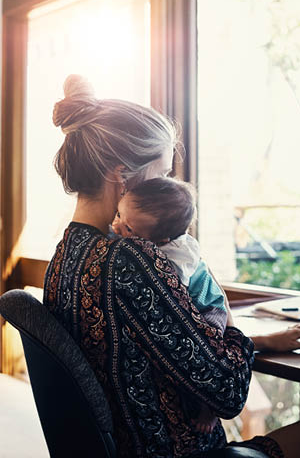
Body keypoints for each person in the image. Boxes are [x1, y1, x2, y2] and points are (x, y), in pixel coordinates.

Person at [44, 74, 300, 458]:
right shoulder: (131, 258)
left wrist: (260, 342)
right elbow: (227, 393)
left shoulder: (66, 255)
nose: (166, 189)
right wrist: (233, 329)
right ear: (122, 177)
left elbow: (144, 349)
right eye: (160, 176)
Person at [112, 176, 228, 433]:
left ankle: (209, 408)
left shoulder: (177, 258)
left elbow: (173, 293)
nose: (117, 225)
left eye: (129, 229)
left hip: (209, 306)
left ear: (161, 240)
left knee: (208, 351)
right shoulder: (147, 238)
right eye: (118, 214)